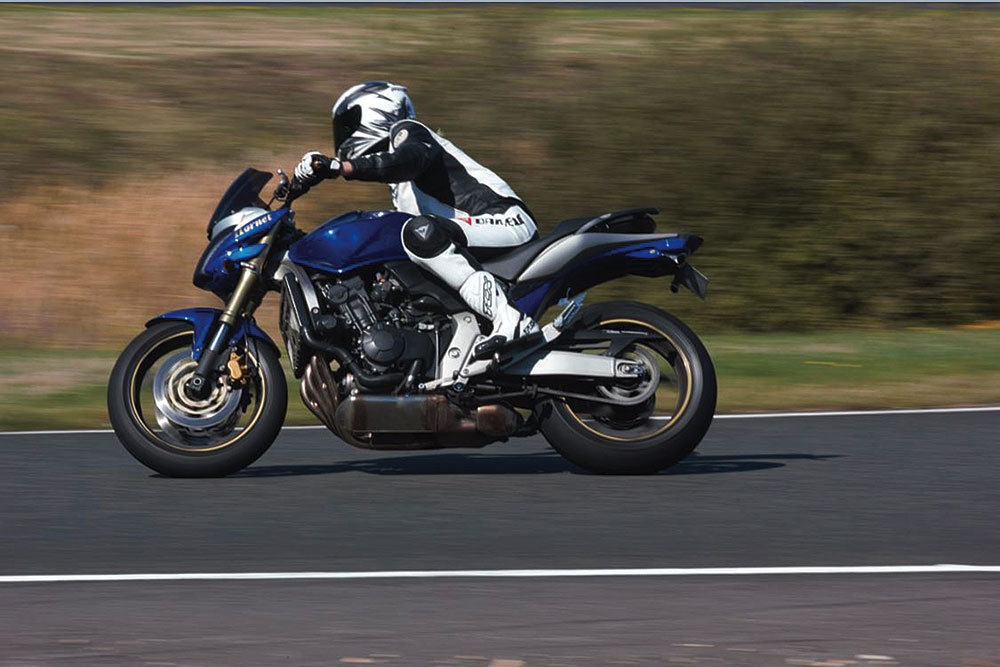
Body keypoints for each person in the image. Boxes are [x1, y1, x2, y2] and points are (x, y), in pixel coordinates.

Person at [292, 80, 538, 345]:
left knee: (418, 233)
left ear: (377, 111)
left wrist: (344, 167)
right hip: (472, 233)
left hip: (503, 220)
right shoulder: (400, 188)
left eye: (347, 125)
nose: (342, 136)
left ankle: (511, 320)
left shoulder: (408, 132)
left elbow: (409, 160)